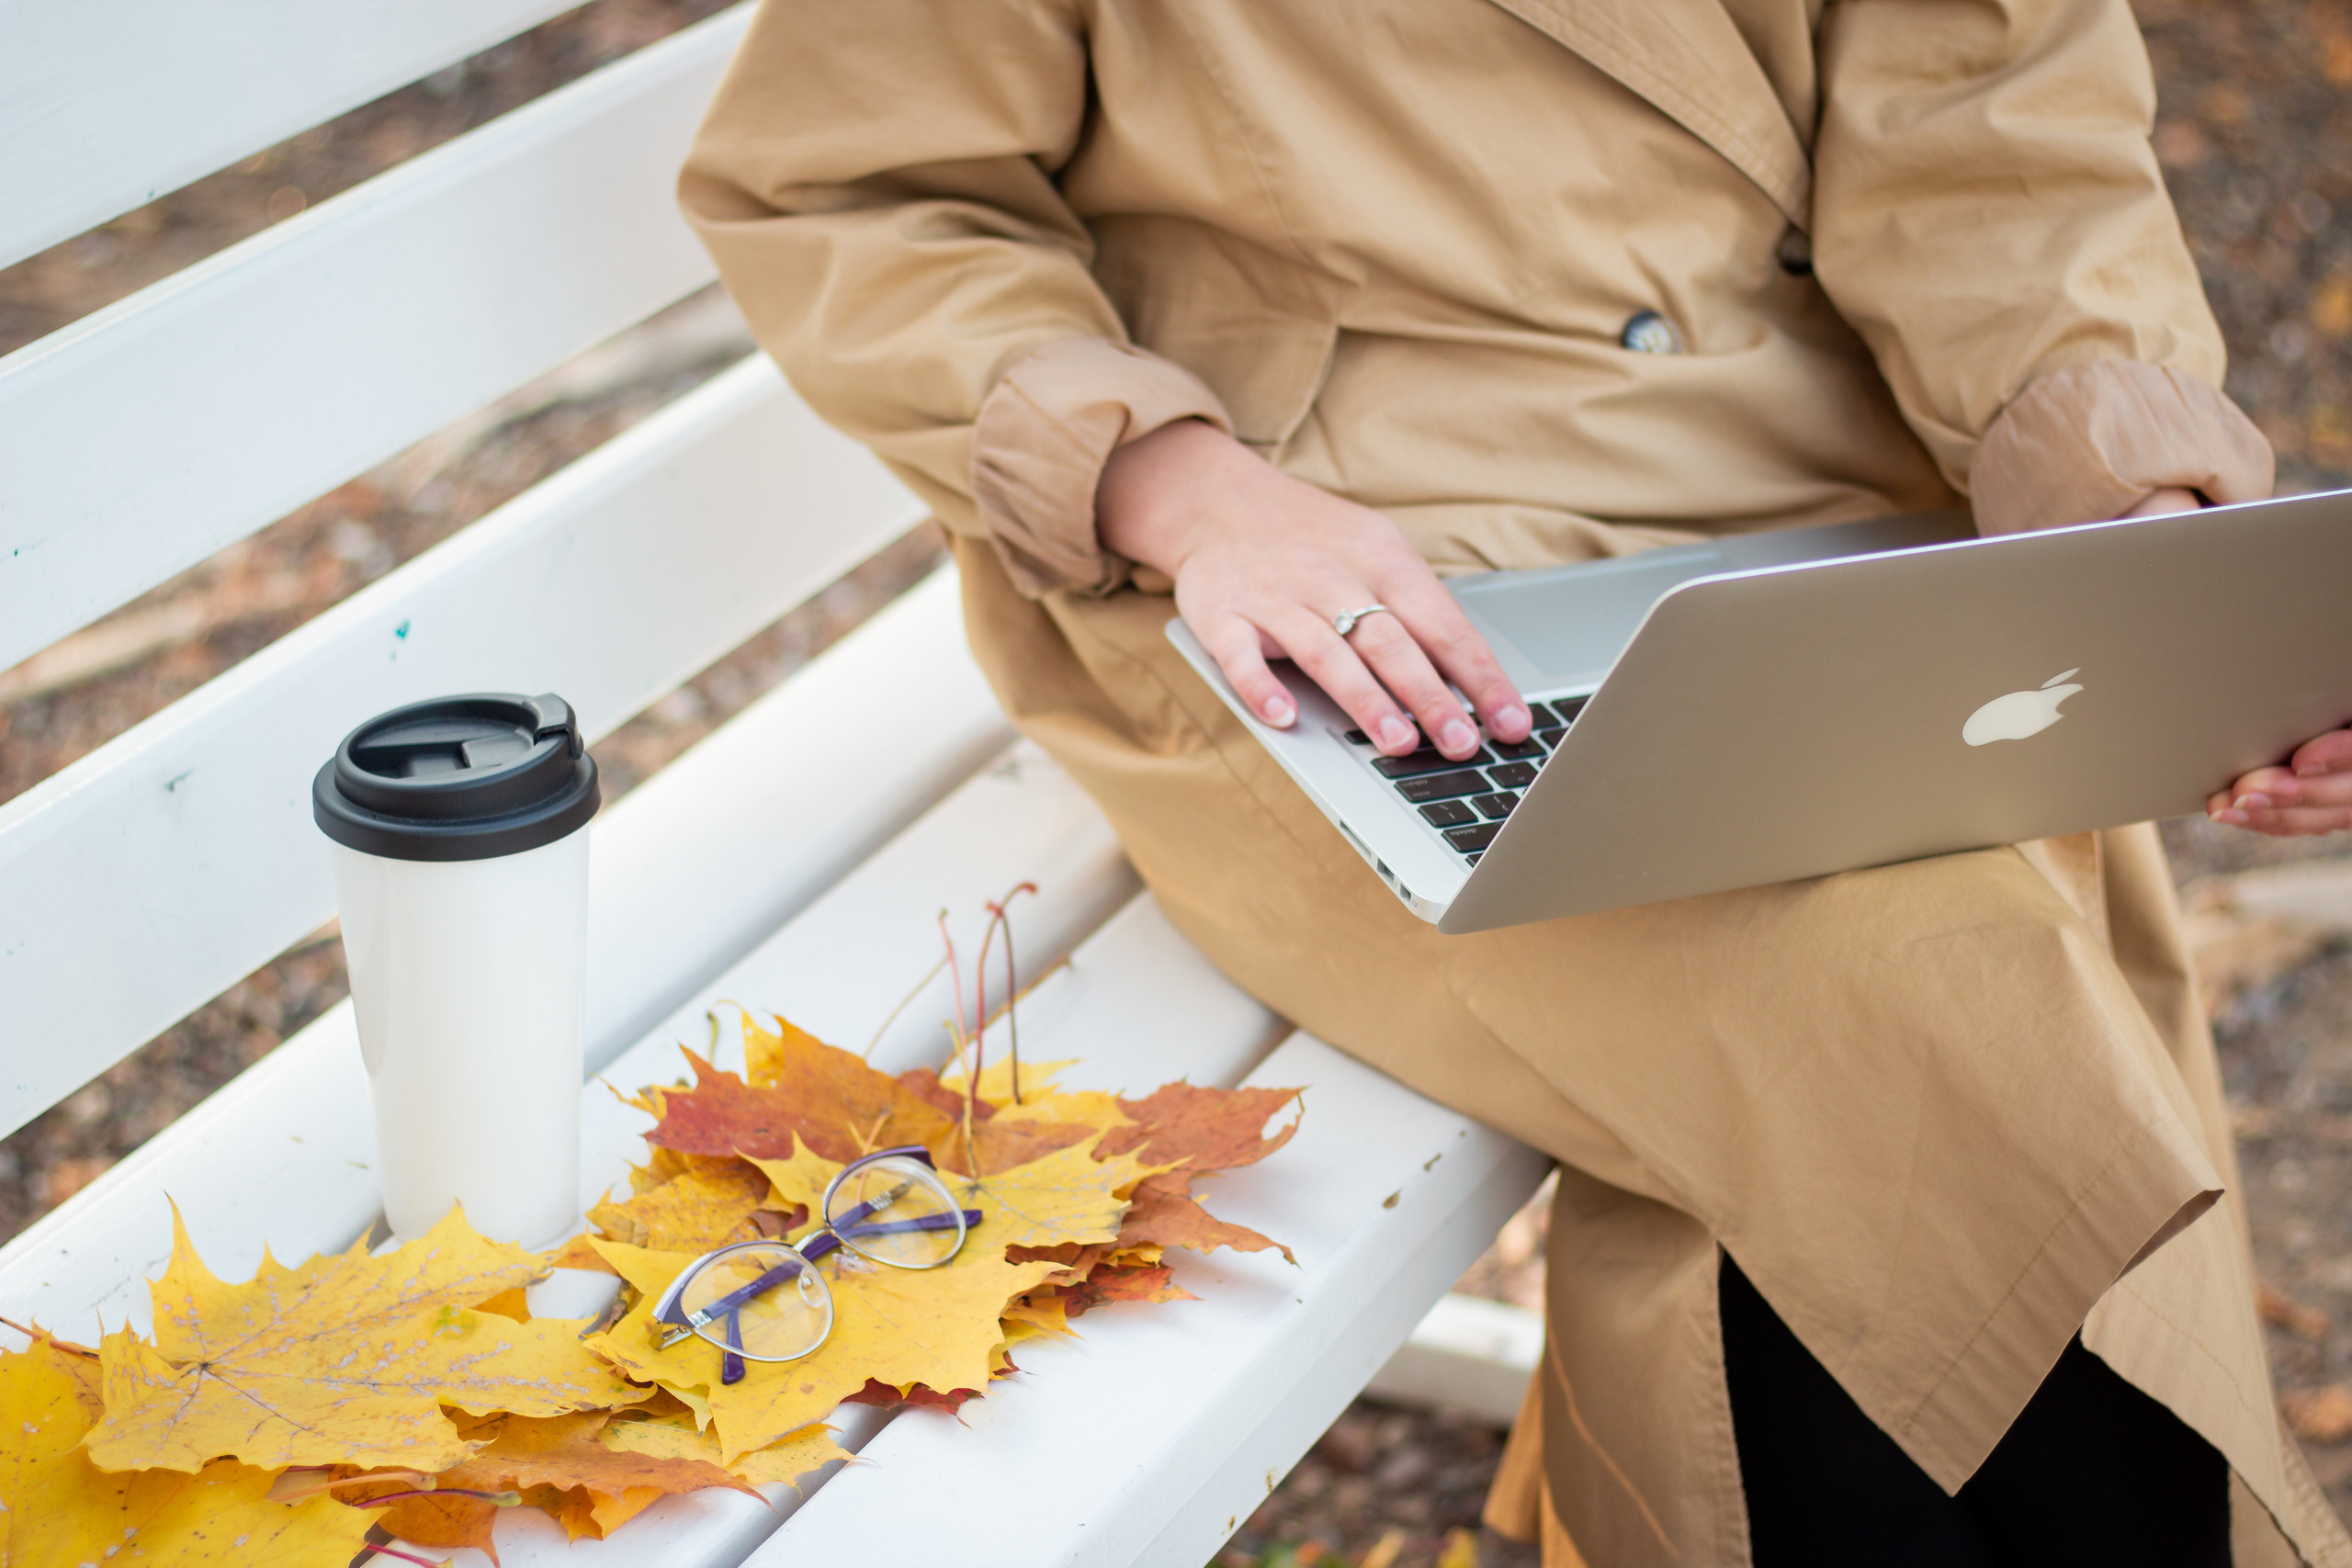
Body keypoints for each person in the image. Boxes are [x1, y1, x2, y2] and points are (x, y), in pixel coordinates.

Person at [678, 1, 2352, 1561]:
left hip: (1822, 491)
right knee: (1912, 993)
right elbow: (848, 186)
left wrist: (2139, 529)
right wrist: (1174, 482)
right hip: (1340, 571)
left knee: (1943, 1004)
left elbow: (1993, 123)